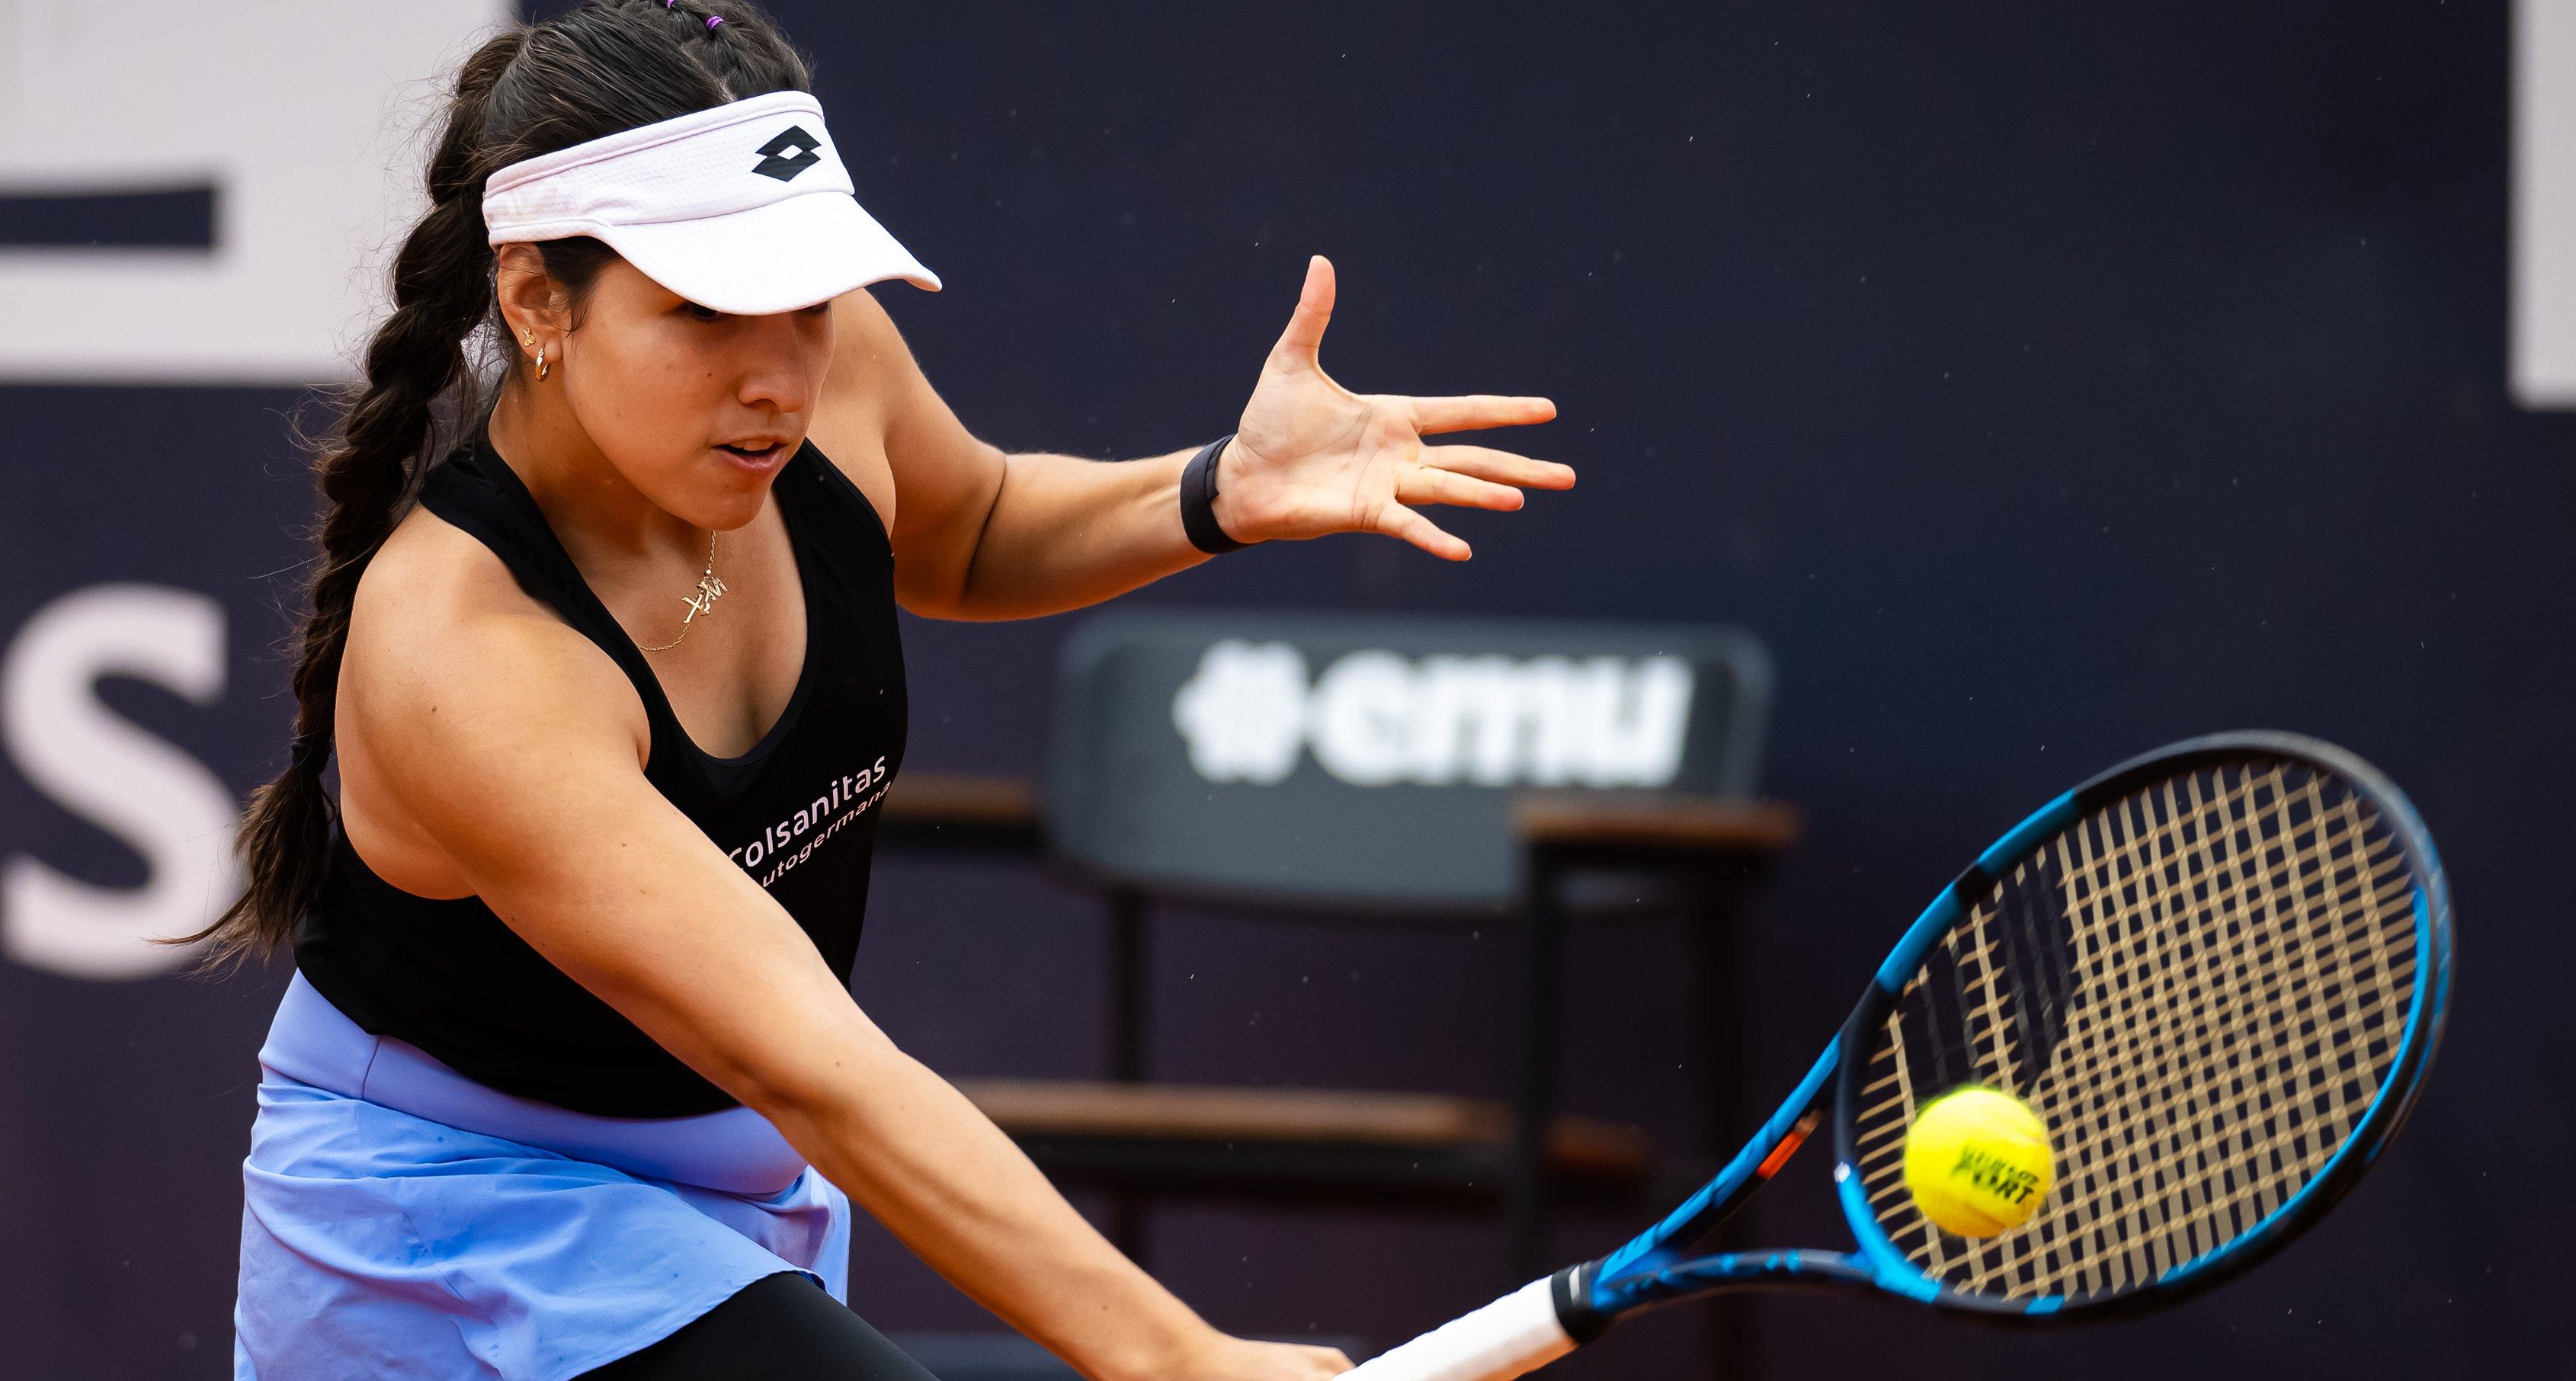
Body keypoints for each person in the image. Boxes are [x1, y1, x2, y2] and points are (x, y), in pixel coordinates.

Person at [182, 3, 1571, 1377]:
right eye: (706, 310)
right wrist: (1173, 1358)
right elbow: (809, 1062)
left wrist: (1217, 489)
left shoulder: (832, 367)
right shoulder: (465, 655)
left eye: (803, 299)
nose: (776, 376)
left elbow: (969, 529)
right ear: (540, 300)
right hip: (460, 1225)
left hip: (736, 1192)